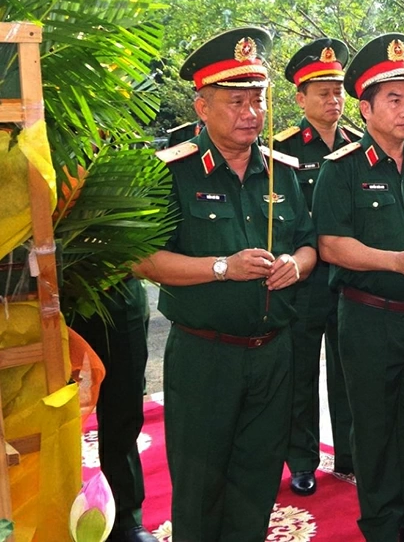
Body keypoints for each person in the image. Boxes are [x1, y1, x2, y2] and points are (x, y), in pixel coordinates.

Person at [133, 27, 317, 540]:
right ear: (202, 106)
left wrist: (295, 266)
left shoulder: (283, 172)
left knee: (257, 478)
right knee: (200, 479)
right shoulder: (171, 173)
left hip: (273, 352)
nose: (251, 114)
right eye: (235, 102)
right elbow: (145, 261)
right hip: (205, 356)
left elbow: (308, 243)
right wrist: (223, 267)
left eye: (256, 100)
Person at [312, 33, 404, 542]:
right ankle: (381, 523)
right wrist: (397, 261)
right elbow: (330, 245)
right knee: (373, 428)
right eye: (394, 100)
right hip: (369, 318)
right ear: (366, 108)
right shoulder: (343, 170)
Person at [273, 38, 360, 495]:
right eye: (322, 92)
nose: (333, 100)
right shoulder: (281, 152)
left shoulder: (358, 147)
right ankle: (302, 459)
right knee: (300, 374)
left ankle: (349, 453)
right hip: (305, 282)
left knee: (349, 369)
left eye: (338, 91)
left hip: (349, 280)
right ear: (300, 98)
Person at [68, 278, 156, 542]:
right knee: (53, 414)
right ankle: (57, 509)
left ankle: (125, 517)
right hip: (52, 293)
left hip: (118, 288)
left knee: (124, 407)